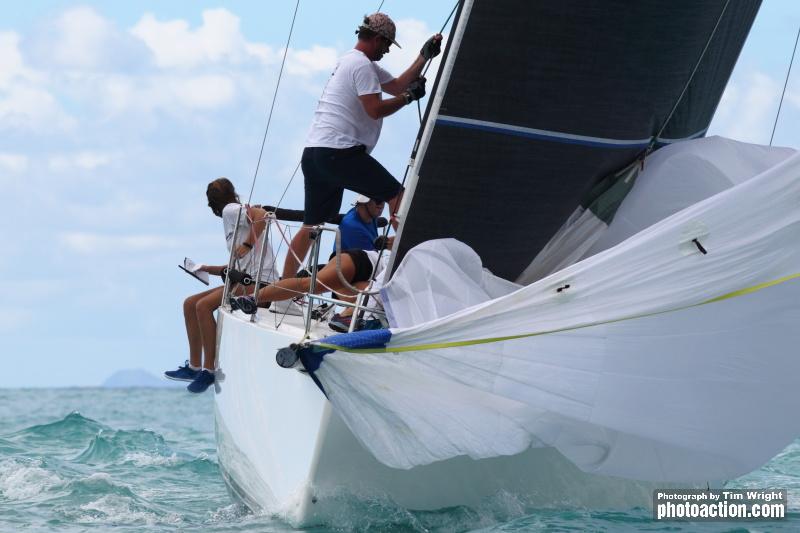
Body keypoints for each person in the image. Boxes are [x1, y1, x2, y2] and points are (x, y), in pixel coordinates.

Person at [279, 12, 442, 290]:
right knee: (396, 195)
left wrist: (424, 57)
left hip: (315, 154)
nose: (388, 49)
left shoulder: (351, 60)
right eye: (387, 44)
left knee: (312, 225)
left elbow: (399, 84)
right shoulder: (362, 67)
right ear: (377, 39)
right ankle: (416, 265)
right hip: (339, 153)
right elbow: (376, 109)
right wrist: (407, 99)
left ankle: (282, 288)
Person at [165, 178, 278, 393]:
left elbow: (262, 215)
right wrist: (206, 268)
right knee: (190, 303)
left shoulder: (230, 210)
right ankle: (194, 366)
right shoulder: (234, 217)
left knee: (203, 306)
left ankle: (209, 370)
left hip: (260, 283)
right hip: (245, 278)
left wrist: (247, 245)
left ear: (212, 203)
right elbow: (238, 262)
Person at [232, 248, 388, 324]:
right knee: (308, 285)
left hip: (368, 277)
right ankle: (252, 298)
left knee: (365, 296)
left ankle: (346, 317)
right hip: (365, 263)